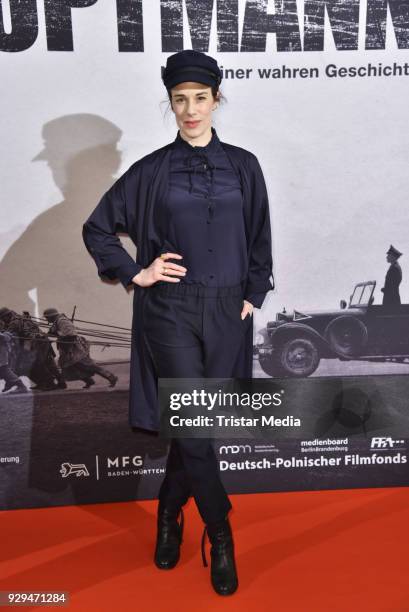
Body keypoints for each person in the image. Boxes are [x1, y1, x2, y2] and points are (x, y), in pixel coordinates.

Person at [82, 49, 274, 596]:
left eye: (199, 98)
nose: (190, 110)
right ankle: (220, 531)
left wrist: (254, 291)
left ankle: (169, 513)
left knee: (197, 426)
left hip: (228, 310)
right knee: (193, 425)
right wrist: (135, 273)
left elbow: (259, 230)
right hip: (169, 311)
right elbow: (97, 229)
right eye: (179, 100)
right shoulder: (150, 171)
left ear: (216, 100)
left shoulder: (244, 164)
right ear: (170, 104)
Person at [43, 308, 118, 388]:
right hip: (66, 348)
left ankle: (111, 377)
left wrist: (59, 338)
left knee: (88, 365)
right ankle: (89, 381)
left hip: (73, 348)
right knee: (69, 366)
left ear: (51, 316)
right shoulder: (57, 322)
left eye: (47, 317)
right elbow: (55, 333)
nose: (46, 319)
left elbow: (70, 334)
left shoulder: (62, 321)